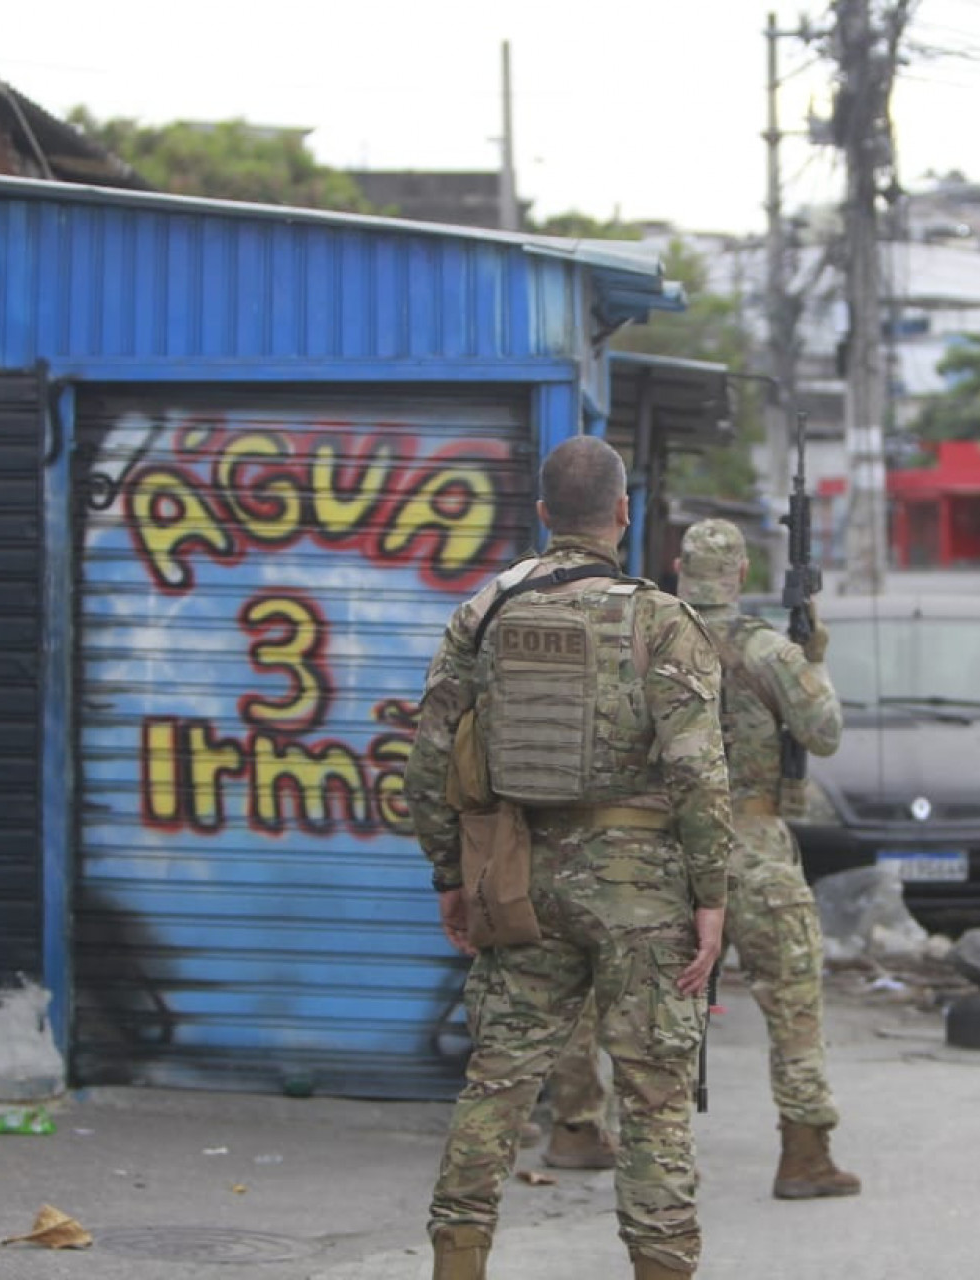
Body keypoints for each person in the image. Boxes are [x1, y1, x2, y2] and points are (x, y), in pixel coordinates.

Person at [403, 435, 736, 1280]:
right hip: (644, 894)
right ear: (623, 513)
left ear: (545, 514)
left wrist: (450, 875)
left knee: (498, 1082)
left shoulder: (485, 611)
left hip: (520, 880)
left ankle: (458, 1261)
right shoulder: (660, 619)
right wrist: (711, 896)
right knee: (655, 1094)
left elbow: (430, 756)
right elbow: (699, 771)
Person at [542, 517, 861, 1201]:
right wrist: (815, 656)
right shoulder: (767, 650)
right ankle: (805, 1153)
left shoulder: (643, 638)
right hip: (751, 846)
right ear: (740, 575)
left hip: (657, 847)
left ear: (679, 569)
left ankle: (592, 1134)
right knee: (791, 995)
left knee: (637, 1006)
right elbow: (825, 732)